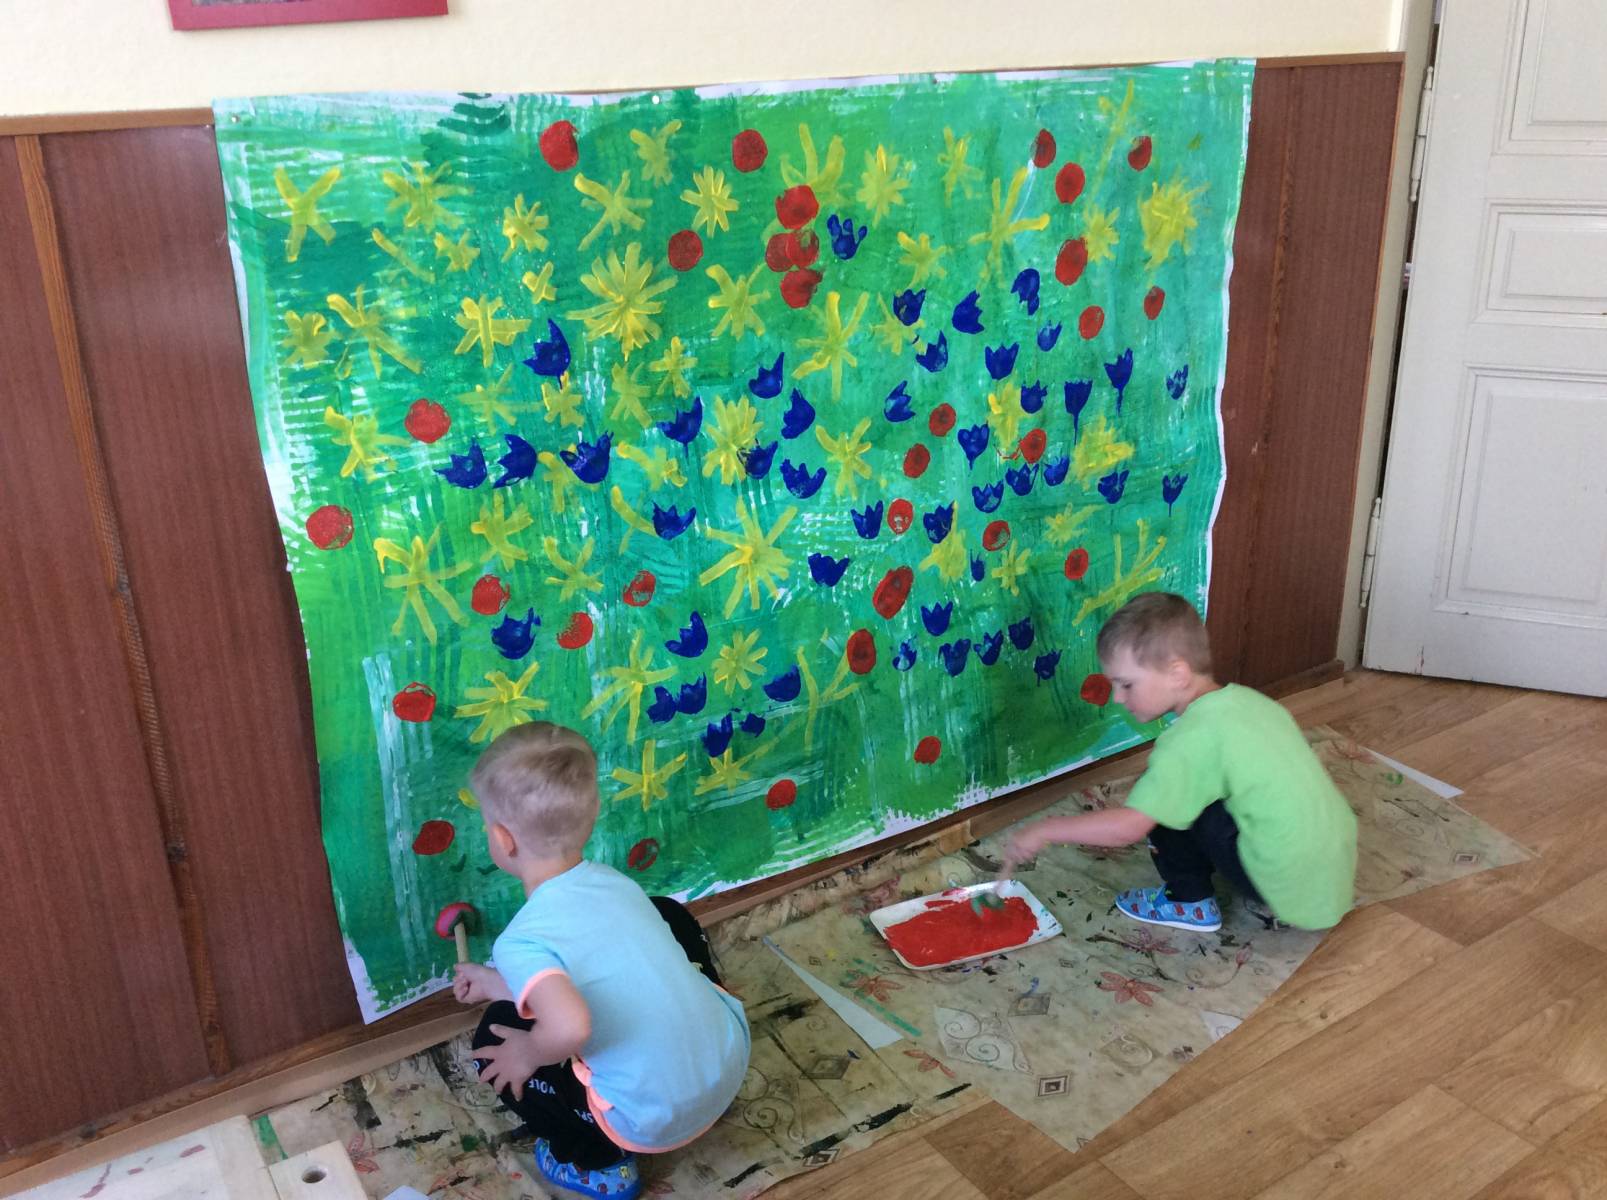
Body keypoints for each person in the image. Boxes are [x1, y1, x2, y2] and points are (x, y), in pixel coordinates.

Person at [452, 721, 750, 1200]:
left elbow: (570, 1024)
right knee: (667, 913)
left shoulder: (520, 942)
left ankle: (600, 1162)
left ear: (504, 840)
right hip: (728, 1065)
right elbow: (589, 981)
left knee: (495, 1036)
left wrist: (527, 1054)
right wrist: (494, 982)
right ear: (591, 815)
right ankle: (692, 1045)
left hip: (651, 1117)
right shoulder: (615, 883)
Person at [1003, 592, 1357, 932]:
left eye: (1126, 685)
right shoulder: (1248, 701)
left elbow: (1127, 829)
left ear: (1177, 674)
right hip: (1332, 873)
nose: (1117, 699)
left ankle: (1189, 901)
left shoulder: (1187, 742)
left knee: (1162, 794)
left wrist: (1046, 829)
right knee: (1190, 787)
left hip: (1285, 885)